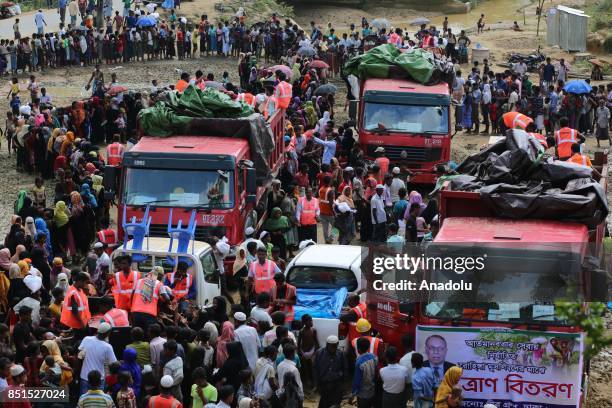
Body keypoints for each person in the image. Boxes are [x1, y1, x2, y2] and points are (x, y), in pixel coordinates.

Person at [78, 322, 117, 394]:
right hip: (99, 379)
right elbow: (114, 363)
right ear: (107, 333)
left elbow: (79, 354)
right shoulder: (107, 347)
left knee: (84, 401)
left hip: (84, 376)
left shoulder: (86, 339)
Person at [313, 335, 346, 408]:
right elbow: (315, 369)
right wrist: (316, 383)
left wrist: (342, 382)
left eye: (335, 346)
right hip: (324, 384)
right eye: (332, 346)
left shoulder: (340, 354)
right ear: (327, 345)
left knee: (335, 404)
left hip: (336, 384)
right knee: (324, 402)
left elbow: (344, 368)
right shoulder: (319, 353)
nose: (334, 348)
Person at [349, 337, 378, 408]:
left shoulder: (359, 362)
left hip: (363, 394)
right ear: (368, 347)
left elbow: (357, 380)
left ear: (358, 348)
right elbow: (376, 372)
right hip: (372, 390)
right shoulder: (374, 357)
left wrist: (353, 394)